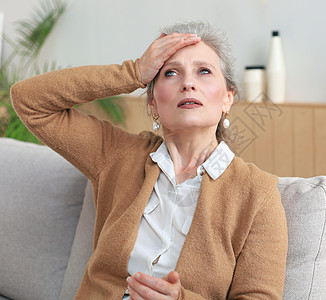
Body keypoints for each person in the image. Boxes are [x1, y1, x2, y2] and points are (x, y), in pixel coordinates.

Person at [11, 21, 288, 299]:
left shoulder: (257, 194)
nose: (188, 83)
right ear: (153, 103)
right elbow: (29, 101)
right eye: (170, 73)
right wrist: (134, 72)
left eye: (204, 71)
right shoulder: (117, 155)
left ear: (228, 99)